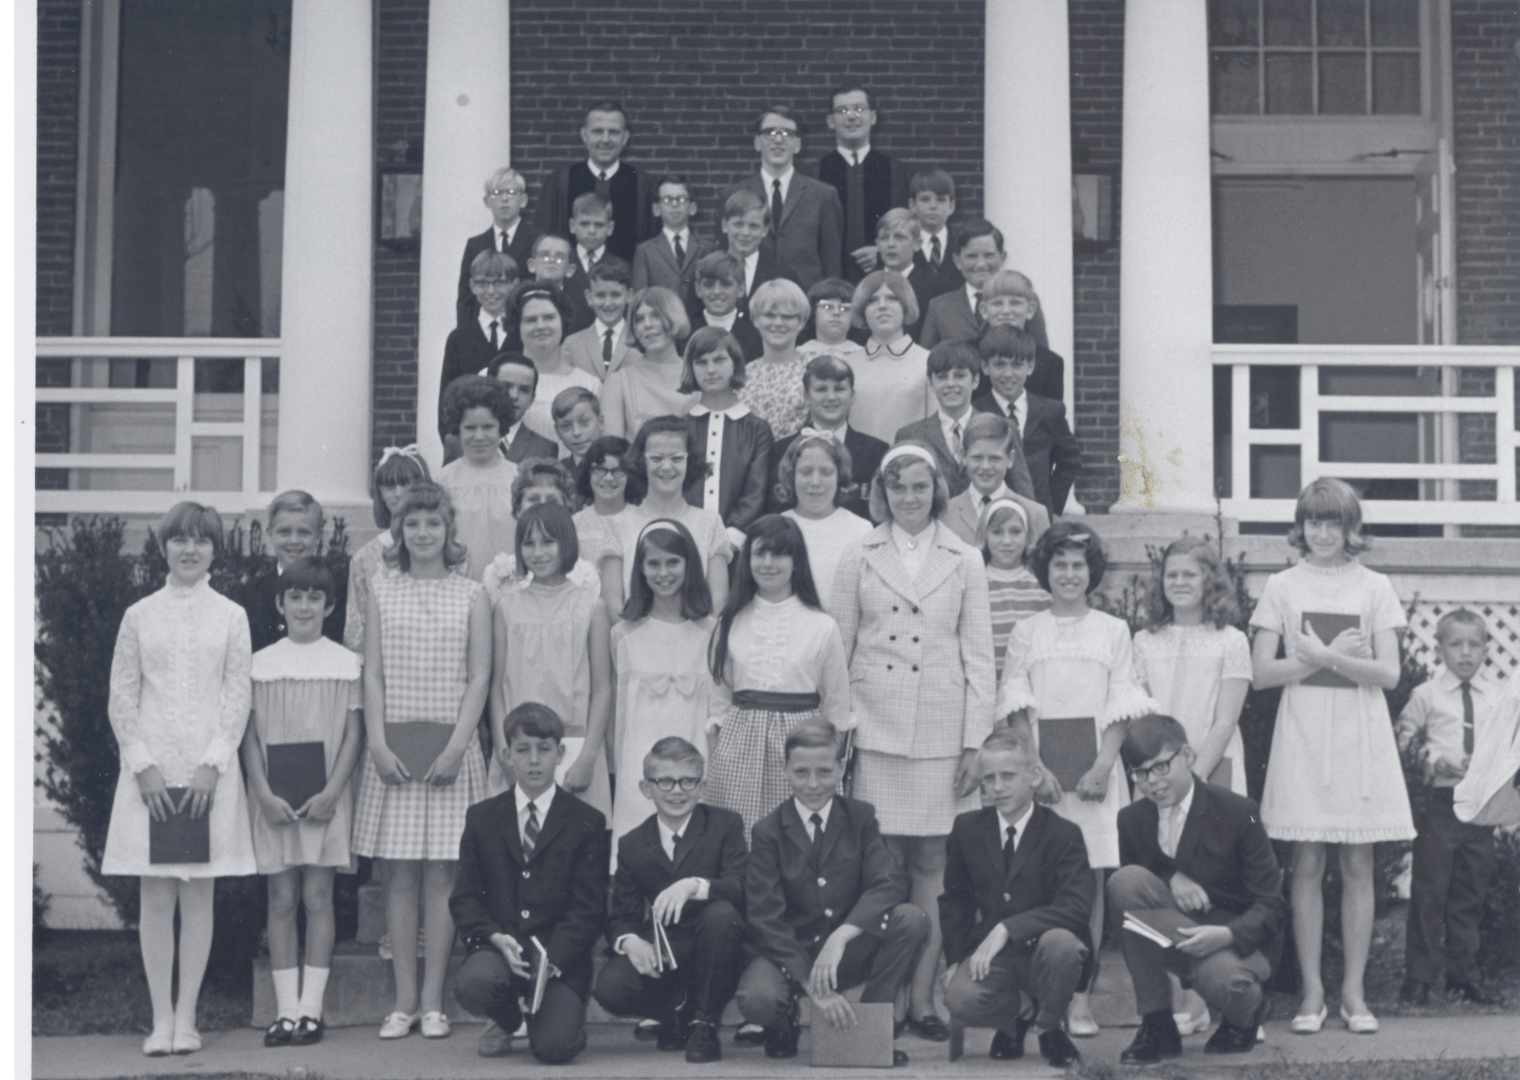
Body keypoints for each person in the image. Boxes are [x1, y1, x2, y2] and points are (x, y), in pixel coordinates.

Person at [830, 443, 996, 1042]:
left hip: (940, 730)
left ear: (937, 493)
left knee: (933, 866)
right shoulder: (858, 553)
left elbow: (979, 656)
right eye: (897, 487)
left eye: (920, 487)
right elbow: (839, 651)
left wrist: (975, 743)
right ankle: (887, 997)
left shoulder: (965, 558)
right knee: (884, 869)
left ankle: (923, 998)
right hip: (874, 727)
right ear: (881, 492)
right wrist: (839, 737)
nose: (909, 498)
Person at [1249, 478, 1414, 1035]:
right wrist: (1323, 656)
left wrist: (1330, 660)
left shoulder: (1374, 586)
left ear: (1351, 529)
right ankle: (1313, 990)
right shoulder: (1282, 585)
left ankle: (1353, 990)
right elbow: (1263, 673)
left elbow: (1389, 673)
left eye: (1333, 523)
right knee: (1307, 863)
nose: (1323, 533)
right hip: (1302, 735)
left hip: (1359, 737)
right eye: (1314, 522)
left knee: (1359, 864)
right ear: (1301, 527)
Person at [103, 501, 255, 1057]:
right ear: (163, 546)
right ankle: (159, 1019)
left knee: (198, 896)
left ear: (215, 549)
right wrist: (142, 765)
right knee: (156, 896)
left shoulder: (231, 615)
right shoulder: (140, 615)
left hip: (206, 776)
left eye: (202, 541)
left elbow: (238, 694)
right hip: (153, 775)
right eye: (180, 540)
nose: (190, 550)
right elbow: (122, 694)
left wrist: (214, 764)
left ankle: (187, 1016)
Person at [998, 521, 1160, 1036]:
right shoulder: (1028, 631)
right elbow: (1016, 705)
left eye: (1078, 564)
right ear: (1044, 570)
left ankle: (1080, 999)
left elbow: (1122, 703)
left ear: (1093, 572)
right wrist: (1034, 768)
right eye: (1059, 564)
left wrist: (1103, 766)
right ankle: (1039, 994)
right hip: (1041, 774)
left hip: (1094, 774)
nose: (1069, 574)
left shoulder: (1113, 630)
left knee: (1088, 886)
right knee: (1038, 882)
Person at [352, 482, 491, 1041]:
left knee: (443, 876)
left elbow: (479, 675)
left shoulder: (473, 594)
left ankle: (434, 1000)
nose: (424, 534)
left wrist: (459, 745)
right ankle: (403, 1000)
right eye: (413, 525)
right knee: (399, 877)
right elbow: (373, 674)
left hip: (452, 751)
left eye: (434, 524)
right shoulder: (382, 590)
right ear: (399, 530)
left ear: (448, 530)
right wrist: (378, 744)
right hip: (395, 751)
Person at [734, 720, 925, 1067]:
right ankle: (782, 1019)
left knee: (911, 919)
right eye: (801, 771)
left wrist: (842, 936)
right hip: (793, 953)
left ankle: (869, 1027)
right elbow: (764, 916)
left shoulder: (860, 816)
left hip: (845, 950)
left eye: (824, 771)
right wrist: (810, 982)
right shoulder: (768, 831)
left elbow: (890, 882)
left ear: (841, 769)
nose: (812, 784)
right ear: (786, 770)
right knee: (757, 999)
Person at [1109, 714, 1286, 1063]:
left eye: (1161, 766)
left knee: (1223, 979)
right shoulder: (1131, 820)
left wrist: (1226, 935)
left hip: (1233, 939)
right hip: (1177, 929)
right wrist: (1171, 873)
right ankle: (1157, 1023)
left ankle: (1245, 1016)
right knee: (1124, 882)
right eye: (1140, 773)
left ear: (1188, 755)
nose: (1152, 782)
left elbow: (1273, 905)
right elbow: (1134, 902)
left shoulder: (1240, 812)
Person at [242, 558, 364, 1048]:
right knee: (282, 898)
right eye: (295, 597)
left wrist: (332, 793)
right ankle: (285, 1011)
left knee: (317, 897)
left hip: (325, 800)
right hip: (274, 800)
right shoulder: (260, 664)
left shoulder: (345, 663)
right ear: (280, 603)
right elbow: (248, 738)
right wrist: (264, 794)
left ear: (330, 606)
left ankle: (311, 1010)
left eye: (315, 598)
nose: (305, 606)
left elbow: (353, 734)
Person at [451, 703, 609, 1063]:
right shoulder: (482, 818)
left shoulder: (587, 822)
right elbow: (465, 898)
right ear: (507, 755)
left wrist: (554, 958)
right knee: (474, 984)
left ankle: (552, 1017)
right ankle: (507, 1018)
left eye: (544, 749)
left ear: (561, 753)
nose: (534, 761)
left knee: (556, 1049)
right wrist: (492, 936)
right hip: (501, 951)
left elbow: (589, 908)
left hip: (557, 958)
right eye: (523, 750)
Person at [940, 727, 1092, 1068]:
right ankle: (1020, 1015)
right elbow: (955, 901)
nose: (997, 787)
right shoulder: (967, 828)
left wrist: (1009, 927)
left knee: (1062, 945)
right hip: (1000, 959)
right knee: (959, 998)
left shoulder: (1063, 834)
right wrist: (953, 962)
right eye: (988, 778)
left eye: (1008, 776)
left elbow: (1076, 908)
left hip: (1046, 950)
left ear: (1034, 775)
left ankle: (1050, 1027)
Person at [594, 737, 748, 1064]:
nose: (676, 791)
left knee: (720, 914)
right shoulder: (633, 843)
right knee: (610, 986)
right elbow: (620, 915)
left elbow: (742, 887)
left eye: (687, 781)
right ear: (646, 788)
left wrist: (694, 885)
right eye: (664, 781)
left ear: (702, 787)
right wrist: (630, 941)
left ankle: (704, 1024)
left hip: (721, 946)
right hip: (670, 951)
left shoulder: (725, 825)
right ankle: (676, 1010)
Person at [705, 516, 852, 840]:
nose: (768, 563)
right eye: (760, 554)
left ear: (796, 562)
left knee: (798, 842)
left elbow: (837, 703)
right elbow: (719, 698)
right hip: (740, 747)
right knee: (739, 840)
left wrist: (827, 757)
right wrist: (721, 745)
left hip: (802, 747)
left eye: (779, 554)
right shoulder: (730, 621)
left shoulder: (821, 625)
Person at [1396, 609, 1506, 1007]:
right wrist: (1433, 763)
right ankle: (1419, 977)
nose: (1465, 653)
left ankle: (1464, 975)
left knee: (1469, 893)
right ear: (1439, 648)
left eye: (1474, 645)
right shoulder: (1426, 695)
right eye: (1456, 644)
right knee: (1430, 891)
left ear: (1486, 650)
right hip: (1441, 805)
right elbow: (1405, 739)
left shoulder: (1497, 697)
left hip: (1480, 808)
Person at [485, 503, 613, 821]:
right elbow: (497, 687)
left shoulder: (592, 608)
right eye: (529, 543)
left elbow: (603, 690)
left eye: (547, 542)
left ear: (566, 543)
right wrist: (504, 752)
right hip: (518, 749)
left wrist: (588, 757)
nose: (538, 552)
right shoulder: (506, 607)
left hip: (574, 749)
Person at [608, 519, 719, 847]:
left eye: (673, 562)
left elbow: (716, 710)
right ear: (640, 569)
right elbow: (619, 715)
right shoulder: (623, 635)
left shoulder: (711, 633)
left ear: (690, 565)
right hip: (638, 766)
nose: (663, 572)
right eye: (653, 563)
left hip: (694, 760)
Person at [1133, 537, 1252, 797]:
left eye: (1190, 575)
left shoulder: (1231, 640)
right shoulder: (1144, 641)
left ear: (1208, 580)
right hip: (1156, 767)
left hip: (1213, 762)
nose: (1179, 582)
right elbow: (1143, 719)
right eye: (1171, 575)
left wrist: (1194, 777)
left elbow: (1225, 721)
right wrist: (1162, 770)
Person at [606, 416, 734, 614]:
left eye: (676, 458)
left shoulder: (710, 523)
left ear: (689, 461)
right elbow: (613, 604)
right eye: (656, 458)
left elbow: (718, 601)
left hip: (698, 639)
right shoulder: (617, 525)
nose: (666, 467)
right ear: (641, 461)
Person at [727, 105, 843, 290]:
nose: (778, 140)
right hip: (749, 299)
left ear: (798, 144)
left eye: (787, 133)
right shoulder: (734, 194)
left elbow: (831, 264)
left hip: (805, 301)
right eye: (770, 132)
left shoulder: (823, 195)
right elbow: (725, 257)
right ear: (757, 142)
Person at [766, 352, 887, 522]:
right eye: (821, 389)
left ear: (852, 395)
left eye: (839, 389)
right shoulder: (782, 449)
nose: (831, 397)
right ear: (807, 397)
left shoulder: (876, 451)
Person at [973, 326, 1080, 515]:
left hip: (1038, 511)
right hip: (990, 513)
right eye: (999, 365)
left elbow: (1069, 459)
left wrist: (1051, 505)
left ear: (1030, 366)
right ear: (985, 367)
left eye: (1016, 365)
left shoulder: (1050, 411)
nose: (1008, 374)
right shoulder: (976, 411)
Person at [680, 327, 773, 541]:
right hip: (685, 541)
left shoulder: (757, 429)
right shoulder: (680, 428)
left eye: (719, 360)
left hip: (737, 546)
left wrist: (730, 539)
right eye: (701, 362)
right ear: (691, 368)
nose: (710, 369)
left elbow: (755, 493)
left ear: (735, 364)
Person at [817, 83, 910, 282]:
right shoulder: (814, 172)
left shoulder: (895, 170)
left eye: (859, 109)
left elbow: (906, 226)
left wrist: (880, 248)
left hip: (884, 279)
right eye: (842, 111)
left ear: (873, 117)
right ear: (831, 121)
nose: (851, 116)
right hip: (829, 279)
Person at [345, 446, 432, 656]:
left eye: (406, 484)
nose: (398, 493)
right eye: (389, 486)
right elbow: (357, 627)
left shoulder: (450, 553)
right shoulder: (364, 559)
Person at [538, 101, 646, 264]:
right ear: (584, 135)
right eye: (597, 131)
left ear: (625, 138)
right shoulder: (560, 181)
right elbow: (545, 238)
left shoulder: (643, 185)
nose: (605, 139)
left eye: (614, 132)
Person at [438, 375, 519, 582]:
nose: (479, 436)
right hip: (459, 589)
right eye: (470, 428)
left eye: (488, 427)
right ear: (458, 429)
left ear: (501, 427)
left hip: (511, 589)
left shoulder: (518, 478)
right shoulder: (443, 481)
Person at [775, 434, 873, 600]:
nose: (815, 481)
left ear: (839, 477)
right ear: (792, 476)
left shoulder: (861, 530)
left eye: (826, 472)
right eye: (805, 472)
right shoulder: (776, 527)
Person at [442, 250, 520, 458]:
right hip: (470, 447)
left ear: (514, 284)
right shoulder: (459, 338)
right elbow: (446, 400)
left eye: (500, 283)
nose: (491, 291)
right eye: (483, 283)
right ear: (472, 286)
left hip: (517, 447)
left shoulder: (523, 334)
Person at [505, 283, 602, 448]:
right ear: (517, 326)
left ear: (563, 321)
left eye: (549, 318)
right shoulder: (492, 377)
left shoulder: (589, 384)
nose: (541, 326)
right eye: (530, 320)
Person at [247, 490, 345, 652]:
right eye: (284, 532)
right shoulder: (249, 596)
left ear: (318, 536)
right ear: (270, 534)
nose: (294, 541)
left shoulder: (341, 591)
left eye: (304, 532)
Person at [600, 287, 697, 439]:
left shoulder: (699, 374)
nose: (647, 324)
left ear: (674, 316)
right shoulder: (618, 382)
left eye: (656, 316)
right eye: (639, 319)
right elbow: (613, 452)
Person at [850, 269, 930, 444]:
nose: (882, 306)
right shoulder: (847, 364)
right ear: (863, 310)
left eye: (892, 298)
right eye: (872, 300)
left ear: (905, 305)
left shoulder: (927, 361)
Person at [974, 498, 1050, 683]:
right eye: (997, 532)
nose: (1006, 541)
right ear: (985, 536)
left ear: (1028, 536)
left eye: (1015, 532)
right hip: (985, 688)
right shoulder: (973, 586)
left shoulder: (1041, 590)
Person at [942, 411, 1045, 547]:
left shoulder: (1035, 513)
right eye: (977, 457)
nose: (985, 466)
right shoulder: (944, 514)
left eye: (995, 458)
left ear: (1010, 459)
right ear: (964, 456)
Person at [893, 340, 981, 496]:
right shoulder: (911, 435)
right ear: (931, 383)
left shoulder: (1001, 429)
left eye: (959, 376)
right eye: (942, 377)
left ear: (975, 381)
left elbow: (1021, 492)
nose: (950, 383)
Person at [456, 167, 537, 327]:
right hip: (486, 331)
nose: (504, 199)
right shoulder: (475, 245)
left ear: (523, 200)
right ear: (487, 201)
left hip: (524, 329)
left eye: (512, 192)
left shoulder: (537, 241)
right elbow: (466, 300)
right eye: (497, 193)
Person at [737, 278, 813, 441]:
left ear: (801, 322)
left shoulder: (813, 370)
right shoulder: (742, 374)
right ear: (756, 319)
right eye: (769, 315)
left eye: (788, 316)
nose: (778, 323)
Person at [918, 219, 1005, 349]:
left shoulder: (1021, 301)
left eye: (988, 255)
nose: (981, 264)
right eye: (971, 256)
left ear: (1002, 258)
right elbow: (925, 360)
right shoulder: (939, 307)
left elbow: (1041, 358)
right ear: (958, 261)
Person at [977, 269, 1062, 401]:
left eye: (1015, 303)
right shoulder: (967, 355)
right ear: (984, 310)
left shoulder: (1049, 363)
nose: (1006, 311)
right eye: (997, 303)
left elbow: (1051, 416)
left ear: (1030, 309)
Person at [573, 436, 634, 605]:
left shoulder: (641, 520)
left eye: (618, 470)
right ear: (589, 472)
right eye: (600, 469)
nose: (608, 478)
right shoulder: (574, 525)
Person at [632, 175, 715, 295]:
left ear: (692, 208)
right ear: (656, 209)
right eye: (667, 199)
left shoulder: (707, 248)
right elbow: (640, 296)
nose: (674, 204)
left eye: (681, 199)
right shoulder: (645, 251)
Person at [563, 254, 635, 381]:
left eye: (616, 295)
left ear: (629, 296)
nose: (608, 303)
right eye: (600, 295)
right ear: (589, 297)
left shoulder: (639, 341)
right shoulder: (571, 344)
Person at [873, 209, 936, 341]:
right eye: (884, 238)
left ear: (917, 244)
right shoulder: (868, 285)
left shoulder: (934, 287)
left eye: (899, 237)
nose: (890, 244)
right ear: (877, 245)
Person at [689, 250, 764, 361]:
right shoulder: (687, 334)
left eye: (726, 284)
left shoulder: (756, 333)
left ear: (741, 289)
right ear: (698, 289)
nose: (717, 291)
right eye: (708, 285)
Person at [486, 353, 560, 464]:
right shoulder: (458, 442)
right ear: (487, 389)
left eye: (524, 390)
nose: (514, 395)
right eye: (506, 386)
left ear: (531, 400)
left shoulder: (544, 449)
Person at [717, 188, 783, 307]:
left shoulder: (780, 275)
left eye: (753, 226)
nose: (745, 233)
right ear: (724, 225)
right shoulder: (706, 270)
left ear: (764, 230)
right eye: (738, 224)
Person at [562, 191, 617, 334]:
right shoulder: (563, 263)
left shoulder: (620, 267)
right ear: (572, 225)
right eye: (585, 224)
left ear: (610, 228)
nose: (591, 231)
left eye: (599, 225)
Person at [907, 168, 961, 297]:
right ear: (912, 205)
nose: (933, 206)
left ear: (951, 206)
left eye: (941, 200)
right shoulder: (904, 245)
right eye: (925, 199)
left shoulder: (961, 245)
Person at [796, 278, 866, 366]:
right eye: (827, 307)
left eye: (845, 308)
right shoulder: (798, 355)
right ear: (813, 313)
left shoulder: (863, 355)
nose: (836, 313)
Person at [552, 386, 604, 473]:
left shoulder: (622, 467)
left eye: (584, 422)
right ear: (557, 431)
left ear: (601, 422)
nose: (576, 432)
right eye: (566, 426)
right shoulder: (557, 473)